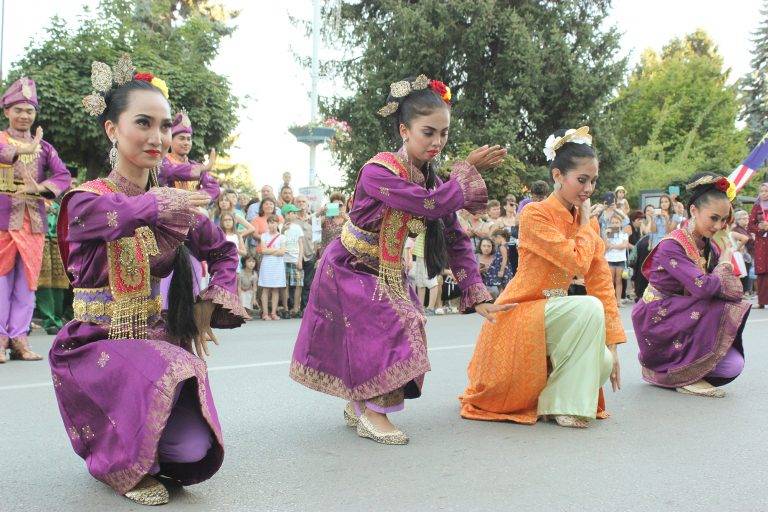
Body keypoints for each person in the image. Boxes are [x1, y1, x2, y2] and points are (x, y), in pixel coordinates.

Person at [51, 59, 248, 505]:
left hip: (152, 338)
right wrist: (157, 203)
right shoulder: (84, 201)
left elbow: (223, 251)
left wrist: (209, 301)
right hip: (96, 345)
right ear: (112, 130)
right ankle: (116, 457)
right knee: (172, 366)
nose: (157, 138)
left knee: (191, 450)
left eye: (164, 125)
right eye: (144, 123)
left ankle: (141, 447)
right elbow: (114, 217)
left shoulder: (173, 204)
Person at [290, 74, 510, 445]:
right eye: (429, 132)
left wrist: (478, 292)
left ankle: (361, 401)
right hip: (350, 266)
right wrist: (466, 173)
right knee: (395, 326)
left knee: (389, 330)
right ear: (404, 130)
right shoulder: (380, 171)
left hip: (388, 268)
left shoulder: (430, 176)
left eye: (444, 134)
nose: (438, 142)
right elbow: (431, 205)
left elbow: (454, 235)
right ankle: (374, 413)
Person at [460, 126, 624, 429]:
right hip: (518, 315)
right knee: (588, 307)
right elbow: (575, 260)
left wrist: (613, 344)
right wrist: (587, 224)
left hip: (554, 318)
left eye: (594, 181)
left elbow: (600, 282)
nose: (588, 189)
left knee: (602, 362)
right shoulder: (535, 214)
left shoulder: (586, 225)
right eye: (582, 180)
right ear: (558, 176)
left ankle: (551, 400)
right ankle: (563, 403)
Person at [632, 173, 750, 397]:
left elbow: (722, 290)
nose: (719, 225)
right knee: (718, 307)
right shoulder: (672, 245)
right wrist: (725, 264)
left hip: (684, 312)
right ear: (694, 211)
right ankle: (669, 371)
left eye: (724, 220)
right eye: (713, 218)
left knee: (734, 364)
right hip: (659, 316)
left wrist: (721, 264)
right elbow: (704, 287)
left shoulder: (708, 245)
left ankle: (678, 370)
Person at [0, 77, 72, 362]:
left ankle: (20, 339)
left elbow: (62, 175)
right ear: (6, 111)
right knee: (1, 282)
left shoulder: (46, 148)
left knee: (27, 284)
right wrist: (23, 150)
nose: (24, 116)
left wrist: (39, 188)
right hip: (2, 222)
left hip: (34, 224)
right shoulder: (3, 141)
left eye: (29, 110)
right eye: (18, 109)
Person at [158, 111, 220, 201]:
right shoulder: (162, 162)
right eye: (182, 138)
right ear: (170, 140)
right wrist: (202, 168)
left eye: (189, 139)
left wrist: (196, 197)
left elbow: (214, 187)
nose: (186, 143)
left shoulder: (194, 165)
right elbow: (169, 171)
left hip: (193, 212)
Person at [35, 200, 71, 335]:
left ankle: (57, 318)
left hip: (57, 241)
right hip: (40, 240)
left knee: (59, 282)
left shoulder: (59, 203)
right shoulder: (34, 201)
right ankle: (49, 320)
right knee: (43, 282)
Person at [258, 214, 286, 320]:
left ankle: (273, 313)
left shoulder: (282, 237)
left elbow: (282, 252)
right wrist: (276, 250)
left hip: (277, 265)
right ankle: (265, 313)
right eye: (270, 222)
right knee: (265, 288)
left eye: (274, 222)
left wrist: (270, 251)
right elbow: (263, 250)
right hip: (266, 264)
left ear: (277, 223)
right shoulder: (264, 236)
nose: (271, 224)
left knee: (275, 289)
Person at [281, 203, 305, 317]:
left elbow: (301, 244)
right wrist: (282, 230)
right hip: (283, 260)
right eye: (293, 213)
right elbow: (277, 240)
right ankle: (286, 308)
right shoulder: (280, 226)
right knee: (284, 285)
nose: (295, 215)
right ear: (287, 214)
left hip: (295, 259)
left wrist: (300, 260)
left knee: (298, 285)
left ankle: (296, 308)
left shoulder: (297, 228)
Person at [294, 195, 317, 308]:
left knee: (308, 282)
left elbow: (317, 238)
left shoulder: (313, 220)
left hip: (310, 254)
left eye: (303, 201)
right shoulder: (291, 219)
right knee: (294, 283)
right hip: (294, 255)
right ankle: (293, 307)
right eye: (298, 201)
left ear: (307, 205)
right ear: (295, 204)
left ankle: (305, 307)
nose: (301, 203)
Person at [604, 213, 630, 306]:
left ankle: (618, 301)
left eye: (617, 222)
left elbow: (624, 246)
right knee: (610, 280)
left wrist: (613, 246)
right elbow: (606, 246)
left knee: (618, 280)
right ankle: (611, 301)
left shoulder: (624, 234)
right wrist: (607, 236)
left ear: (620, 223)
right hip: (610, 259)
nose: (615, 224)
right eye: (613, 222)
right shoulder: (608, 234)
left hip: (620, 259)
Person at [749, 182, 768, 308]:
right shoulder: (756, 207)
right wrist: (760, 228)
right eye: (761, 191)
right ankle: (761, 302)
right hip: (762, 243)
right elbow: (750, 226)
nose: (764, 194)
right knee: (762, 272)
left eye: (766, 191)